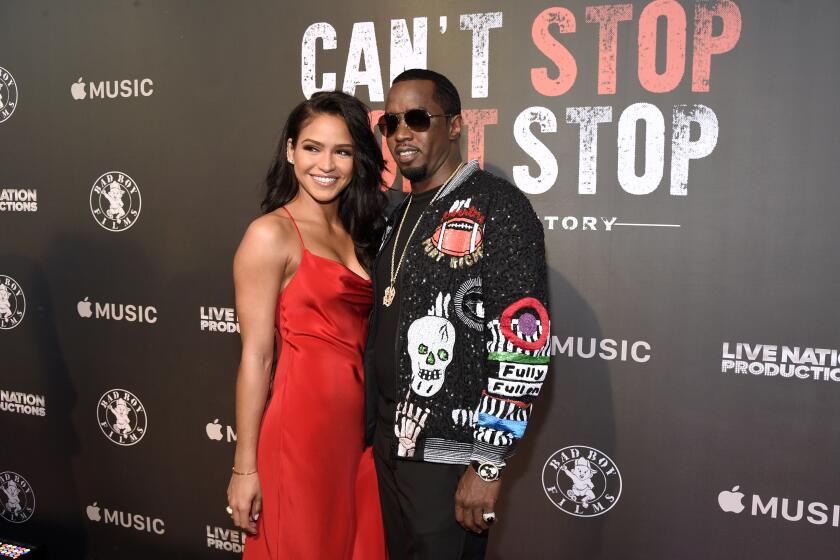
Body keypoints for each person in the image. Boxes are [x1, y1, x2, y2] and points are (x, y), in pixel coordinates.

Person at [364, 69, 551, 559]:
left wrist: (488, 463)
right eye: (392, 122)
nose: (403, 132)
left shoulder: (499, 206)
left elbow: (523, 340)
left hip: (451, 455)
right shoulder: (394, 213)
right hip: (390, 443)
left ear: (454, 126)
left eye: (419, 118)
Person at [226, 91, 388, 560]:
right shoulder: (270, 234)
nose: (327, 164)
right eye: (313, 148)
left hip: (361, 434)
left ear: (358, 159)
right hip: (302, 430)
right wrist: (244, 468)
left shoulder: (363, 230)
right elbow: (256, 357)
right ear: (291, 150)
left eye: (343, 151)